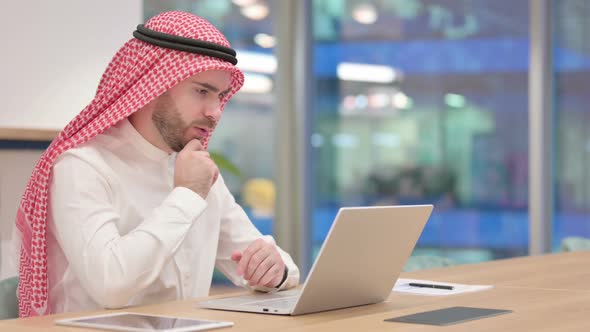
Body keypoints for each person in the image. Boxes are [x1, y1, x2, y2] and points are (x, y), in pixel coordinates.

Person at [13, 11, 299, 317]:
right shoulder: (82, 165)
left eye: (220, 96)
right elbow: (111, 285)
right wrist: (187, 196)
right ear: (154, 85)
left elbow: (271, 265)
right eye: (202, 91)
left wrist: (275, 270)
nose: (215, 112)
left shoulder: (196, 169)